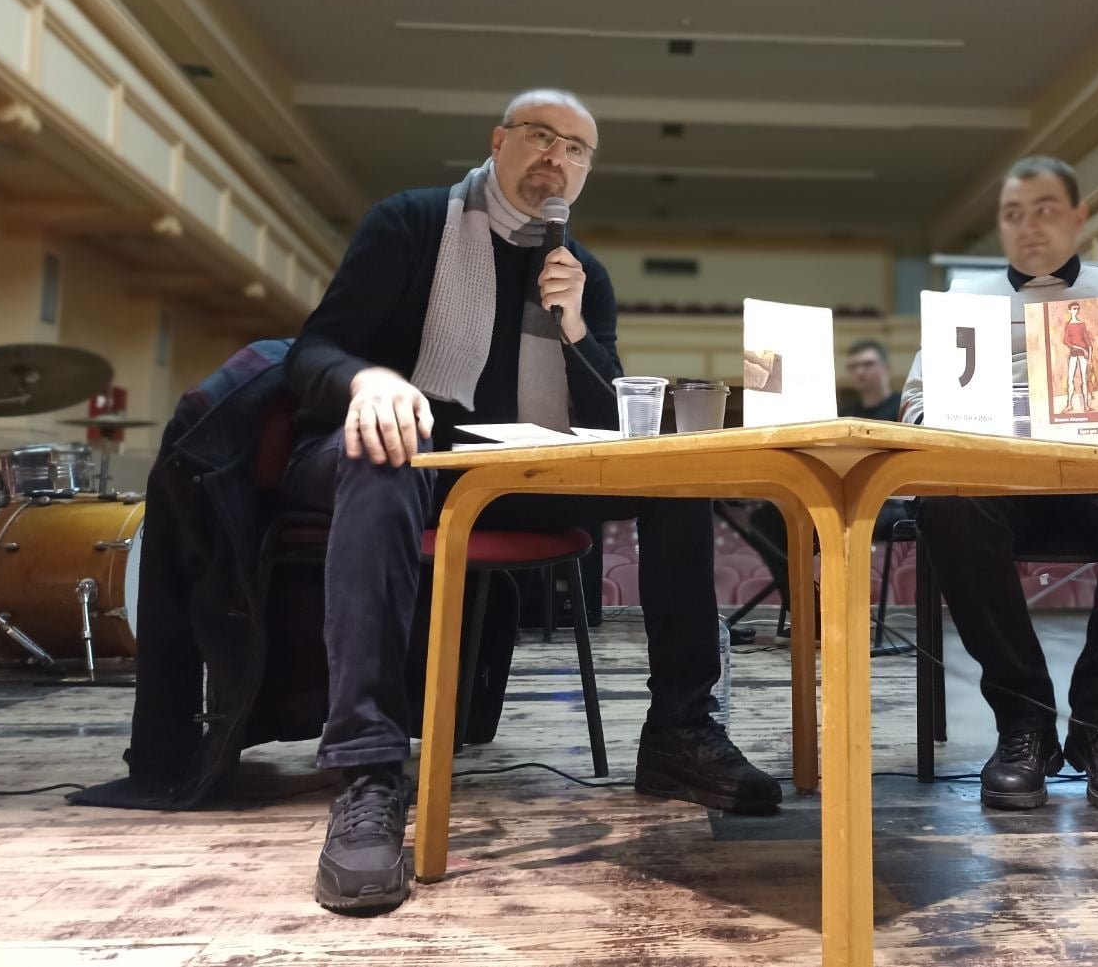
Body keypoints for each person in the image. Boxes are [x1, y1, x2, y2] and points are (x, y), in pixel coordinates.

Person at [284, 89, 780, 915]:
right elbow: (312, 350)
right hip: (401, 451)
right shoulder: (412, 224)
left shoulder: (582, 272)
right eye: (541, 136)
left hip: (518, 476)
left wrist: (576, 328)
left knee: (675, 470)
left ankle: (680, 730)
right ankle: (368, 771)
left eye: (576, 149)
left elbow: (609, 421)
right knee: (388, 457)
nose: (557, 157)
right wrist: (368, 380)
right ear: (498, 141)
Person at [900, 155, 1098, 816]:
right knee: (946, 508)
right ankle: (1025, 721)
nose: (1029, 226)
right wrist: (956, 430)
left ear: (1078, 216)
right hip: (1000, 479)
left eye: (1044, 210)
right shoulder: (964, 302)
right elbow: (915, 406)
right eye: (1013, 215)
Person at [840, 339, 902, 422]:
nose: (859, 372)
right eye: (853, 366)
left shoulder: (905, 409)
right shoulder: (846, 417)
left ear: (887, 369)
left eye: (868, 364)